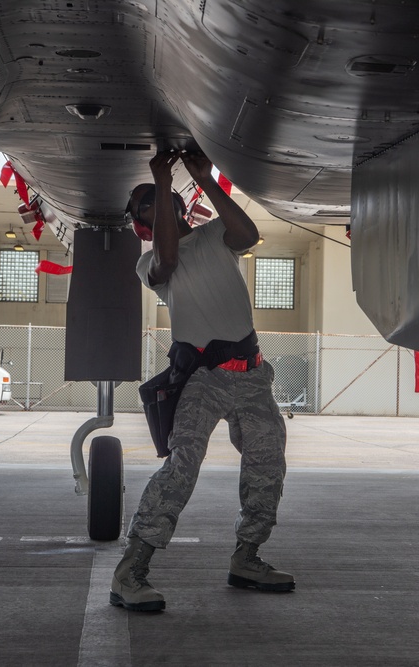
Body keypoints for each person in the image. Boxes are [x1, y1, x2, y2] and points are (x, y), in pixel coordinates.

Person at [110, 150, 292, 612]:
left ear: (179, 203)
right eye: (144, 205)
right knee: (181, 469)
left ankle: (247, 557)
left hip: (251, 375)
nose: (154, 204)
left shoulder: (215, 235)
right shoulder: (149, 263)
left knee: (267, 465)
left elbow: (248, 233)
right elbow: (168, 258)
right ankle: (131, 572)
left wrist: (200, 177)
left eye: (160, 198)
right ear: (141, 226)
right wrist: (158, 177)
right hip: (202, 379)